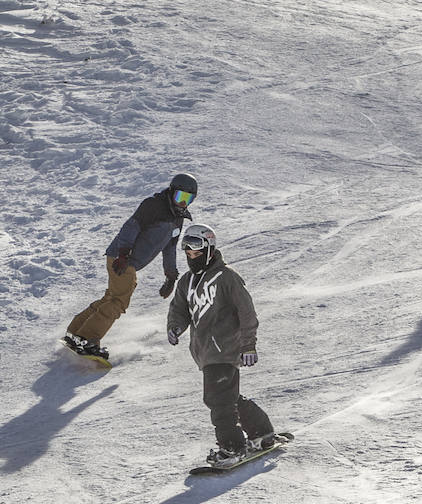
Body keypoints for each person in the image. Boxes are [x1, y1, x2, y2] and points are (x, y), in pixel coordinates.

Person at [165, 223, 277, 465]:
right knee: (227, 398)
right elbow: (179, 309)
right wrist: (175, 327)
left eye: (196, 252)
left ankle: (232, 447)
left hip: (225, 347)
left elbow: (247, 313)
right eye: (187, 253)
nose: (191, 257)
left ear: (209, 249)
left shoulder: (227, 277)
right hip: (205, 352)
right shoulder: (187, 281)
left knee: (219, 400)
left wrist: (249, 345)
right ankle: (262, 432)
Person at [64, 172, 197, 360]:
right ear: (171, 192)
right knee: (119, 301)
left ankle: (76, 332)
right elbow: (131, 226)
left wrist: (171, 275)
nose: (182, 203)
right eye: (179, 197)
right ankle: (87, 339)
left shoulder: (178, 218)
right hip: (122, 258)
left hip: (127, 262)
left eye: (187, 199)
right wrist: (123, 253)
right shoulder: (154, 205)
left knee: (111, 297)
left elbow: (170, 248)